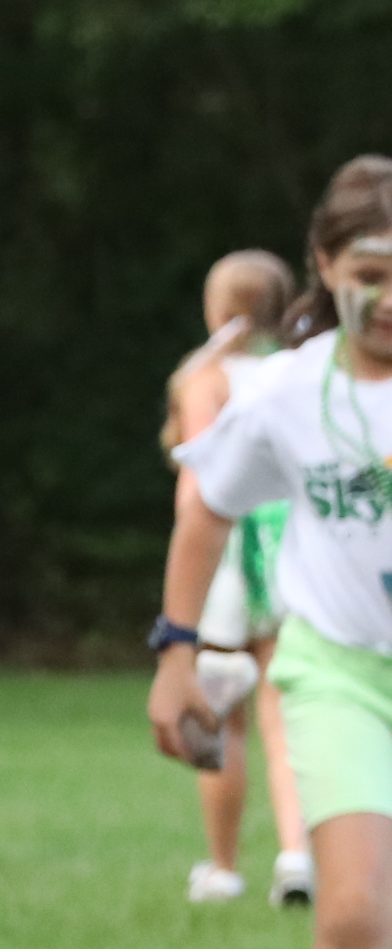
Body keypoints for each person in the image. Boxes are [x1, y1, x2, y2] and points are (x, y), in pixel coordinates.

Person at [153, 156, 392, 949]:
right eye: (371, 272)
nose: (388, 298)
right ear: (325, 268)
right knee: (352, 913)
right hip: (340, 672)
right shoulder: (285, 394)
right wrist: (175, 655)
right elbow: (205, 507)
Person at [162, 250, 308, 906]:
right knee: (286, 714)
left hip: (227, 561)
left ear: (215, 308)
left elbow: (203, 484)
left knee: (219, 711)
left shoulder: (209, 378)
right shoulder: (297, 372)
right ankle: (297, 855)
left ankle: (223, 867)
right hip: (290, 549)